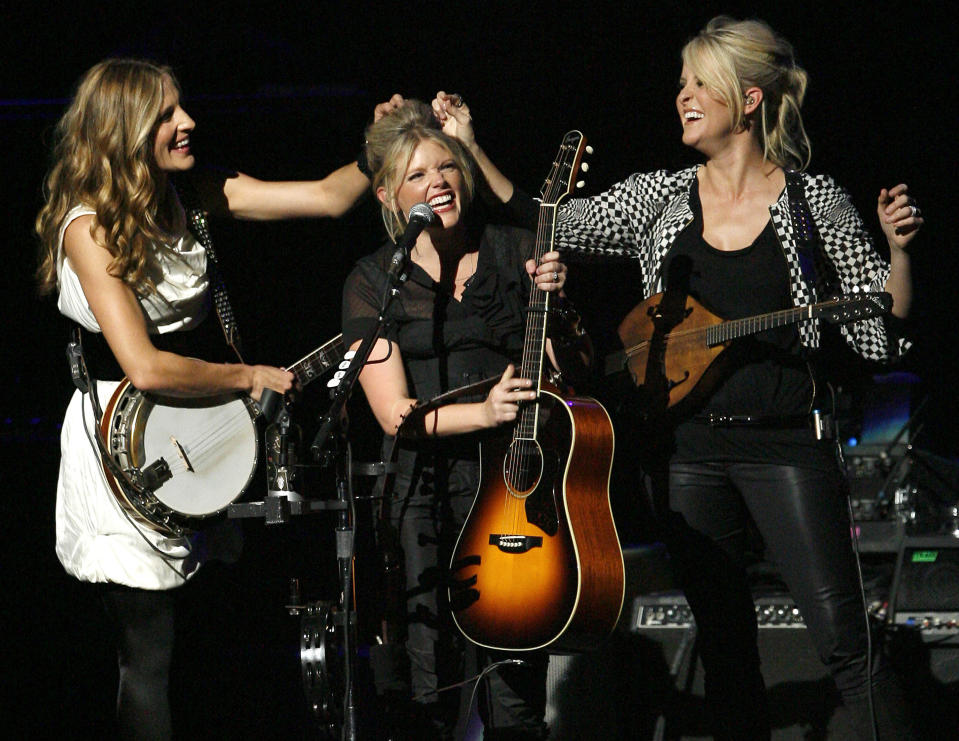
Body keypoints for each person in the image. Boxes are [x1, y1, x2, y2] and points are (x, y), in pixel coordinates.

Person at [433, 15, 923, 741]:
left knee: (846, 646)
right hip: (685, 453)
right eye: (681, 84)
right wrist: (471, 148)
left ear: (747, 98)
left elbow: (878, 332)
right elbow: (554, 220)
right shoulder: (660, 198)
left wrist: (897, 253)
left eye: (700, 83)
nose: (683, 97)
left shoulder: (812, 202)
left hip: (787, 446)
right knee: (725, 648)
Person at [35, 58, 399, 739]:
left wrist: (374, 148)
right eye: (168, 114)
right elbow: (142, 365)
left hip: (199, 430)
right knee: (148, 653)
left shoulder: (193, 193)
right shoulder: (88, 228)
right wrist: (248, 375)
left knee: (209, 639)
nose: (188, 122)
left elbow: (325, 197)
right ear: (124, 129)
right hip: (126, 446)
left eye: (183, 108)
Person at [341, 99, 586, 740]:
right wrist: (481, 412)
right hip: (422, 497)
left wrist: (555, 311)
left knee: (513, 688)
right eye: (418, 176)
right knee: (433, 687)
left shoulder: (514, 250)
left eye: (447, 167)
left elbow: (570, 367)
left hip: (510, 492)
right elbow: (395, 414)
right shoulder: (374, 282)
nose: (438, 183)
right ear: (392, 195)